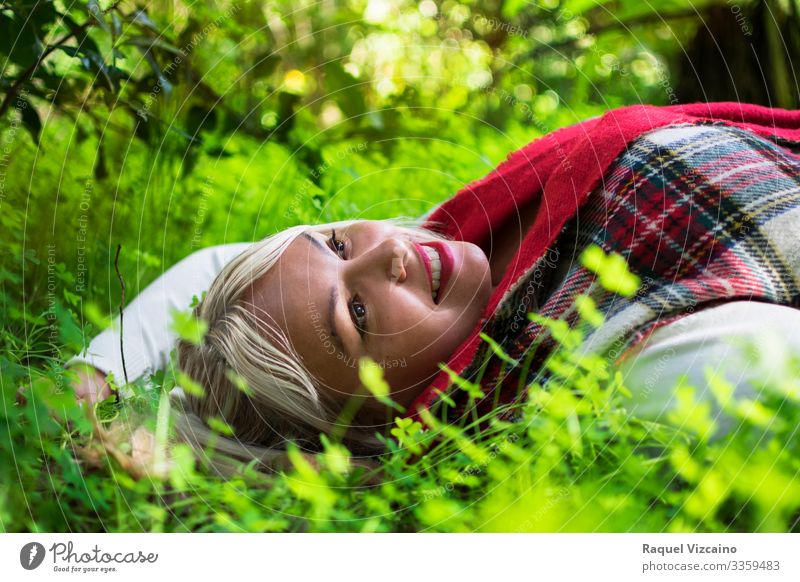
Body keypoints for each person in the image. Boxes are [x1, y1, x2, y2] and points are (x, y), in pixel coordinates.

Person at [67, 102, 800, 472]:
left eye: (337, 241)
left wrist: (96, 373)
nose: (387, 251)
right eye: (353, 313)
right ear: (368, 429)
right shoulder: (612, 374)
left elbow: (218, 263)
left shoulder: (456, 239)